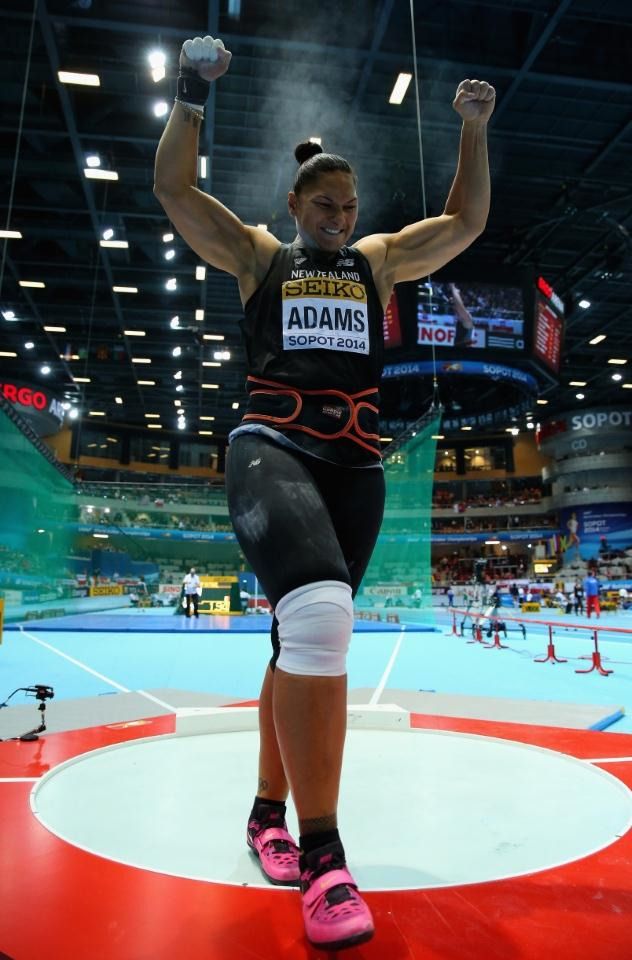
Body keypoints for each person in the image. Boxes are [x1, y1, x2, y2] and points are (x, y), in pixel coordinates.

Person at [154, 33, 495, 952]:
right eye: (326, 205)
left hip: (356, 465)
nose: (341, 216)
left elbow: (462, 226)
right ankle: (323, 855)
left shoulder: (377, 262)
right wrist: (192, 92)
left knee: (294, 637)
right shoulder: (262, 256)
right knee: (318, 620)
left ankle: (266, 812)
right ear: (296, 204)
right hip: (272, 445)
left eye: (349, 206)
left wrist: (471, 131)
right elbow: (176, 192)